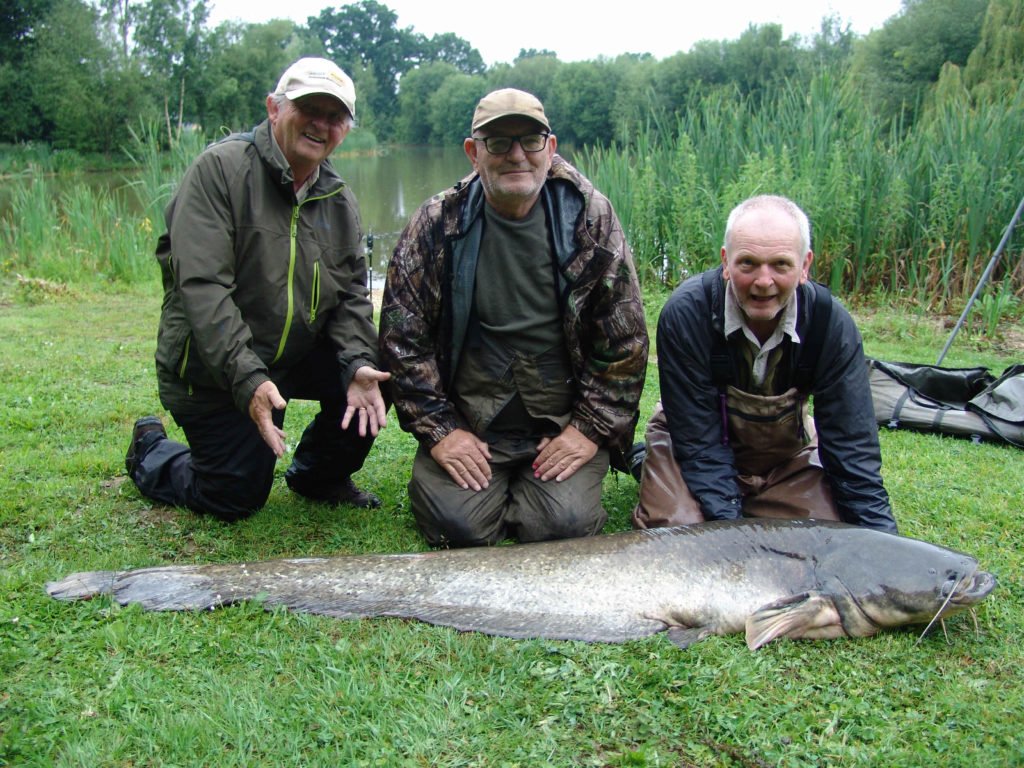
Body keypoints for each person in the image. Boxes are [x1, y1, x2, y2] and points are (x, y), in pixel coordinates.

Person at [379, 88, 648, 547]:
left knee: (560, 529)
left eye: (530, 140)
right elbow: (403, 342)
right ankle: (486, 486)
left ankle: (551, 485)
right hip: (471, 418)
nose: (516, 155)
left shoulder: (589, 216)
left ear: (551, 147)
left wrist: (588, 431)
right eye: (498, 143)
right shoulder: (437, 221)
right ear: (473, 153)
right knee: (456, 528)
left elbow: (625, 343)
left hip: (561, 419)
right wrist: (442, 432)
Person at [125, 57, 390, 522]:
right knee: (233, 495)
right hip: (214, 368)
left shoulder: (339, 198)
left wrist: (359, 362)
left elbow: (350, 295)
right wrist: (249, 377)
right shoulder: (219, 171)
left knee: (381, 370)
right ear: (274, 108)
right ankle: (150, 448)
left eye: (334, 117)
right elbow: (203, 288)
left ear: (345, 129)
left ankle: (318, 475)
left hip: (291, 357)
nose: (321, 125)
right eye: (309, 108)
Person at [633, 194, 897, 533]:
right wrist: (733, 528)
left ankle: (747, 493)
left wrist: (882, 539)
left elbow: (851, 445)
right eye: (748, 264)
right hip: (692, 440)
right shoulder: (687, 313)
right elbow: (700, 444)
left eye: (780, 264)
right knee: (679, 530)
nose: (763, 281)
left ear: (805, 266)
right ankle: (650, 464)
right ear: (725, 262)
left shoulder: (830, 323)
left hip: (784, 455)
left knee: (828, 532)